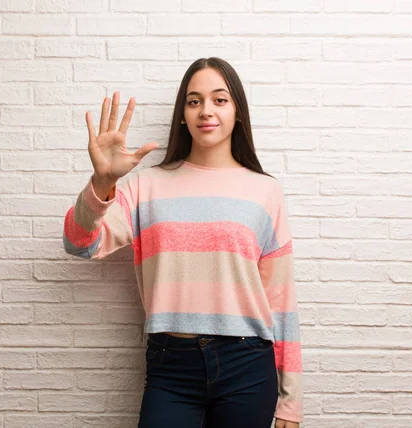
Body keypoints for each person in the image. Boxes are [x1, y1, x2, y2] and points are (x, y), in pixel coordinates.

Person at [63, 57, 303, 428]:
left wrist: (291, 401)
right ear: (182, 114)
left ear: (238, 111)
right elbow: (80, 243)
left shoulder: (265, 191)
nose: (206, 110)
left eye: (220, 100)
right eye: (194, 101)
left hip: (248, 365)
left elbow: (281, 300)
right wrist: (100, 183)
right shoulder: (146, 186)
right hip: (170, 366)